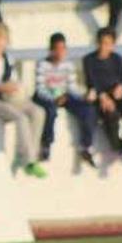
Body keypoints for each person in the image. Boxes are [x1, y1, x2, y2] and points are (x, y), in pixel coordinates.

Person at [0, 23, 47, 178]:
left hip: (10, 98)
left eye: (2, 39)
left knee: (38, 112)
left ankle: (29, 156)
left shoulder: (9, 59)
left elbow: (13, 82)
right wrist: (0, 88)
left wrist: (14, 88)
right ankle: (28, 160)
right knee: (20, 118)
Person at [32, 33, 98, 167]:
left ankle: (86, 146)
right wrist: (55, 98)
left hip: (65, 96)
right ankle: (46, 145)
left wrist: (82, 96)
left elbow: (72, 88)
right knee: (50, 111)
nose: (60, 52)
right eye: (57, 48)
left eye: (63, 48)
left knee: (88, 109)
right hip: (48, 97)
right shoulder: (42, 65)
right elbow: (40, 90)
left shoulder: (68, 65)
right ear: (51, 49)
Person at [83, 27, 122, 165]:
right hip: (100, 96)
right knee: (111, 115)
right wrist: (103, 97)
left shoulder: (117, 59)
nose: (104, 46)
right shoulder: (89, 60)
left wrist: (120, 88)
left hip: (115, 93)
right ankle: (118, 147)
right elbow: (91, 82)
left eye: (108, 43)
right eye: (102, 42)